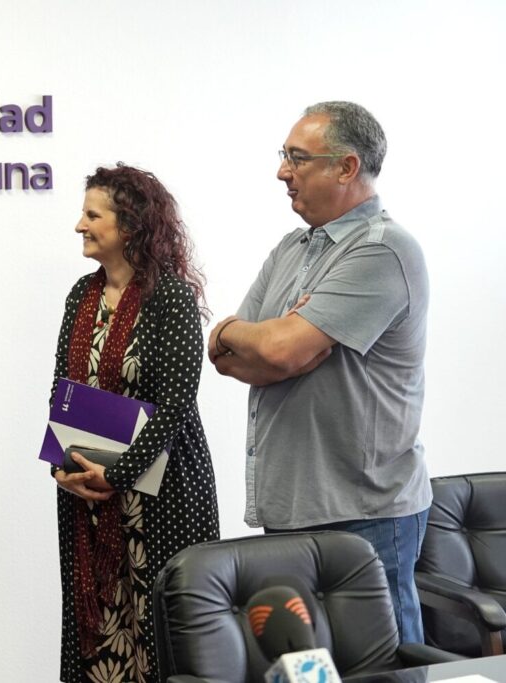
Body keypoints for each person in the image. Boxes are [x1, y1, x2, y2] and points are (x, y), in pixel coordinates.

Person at [208, 101, 431, 643]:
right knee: (303, 667)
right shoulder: (291, 248)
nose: (281, 171)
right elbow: (231, 357)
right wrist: (234, 333)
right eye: (284, 156)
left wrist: (276, 340)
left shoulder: (383, 250)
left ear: (347, 168)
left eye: (297, 158)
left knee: (380, 670)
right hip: (293, 507)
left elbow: (280, 352)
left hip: (363, 513)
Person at [51, 164, 220, 683]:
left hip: (163, 494)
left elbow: (174, 406)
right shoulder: (82, 294)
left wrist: (117, 475)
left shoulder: (168, 296)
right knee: (99, 628)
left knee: (164, 632)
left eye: (92, 214)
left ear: (129, 226)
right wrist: (63, 469)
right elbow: (65, 395)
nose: (79, 225)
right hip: (90, 498)